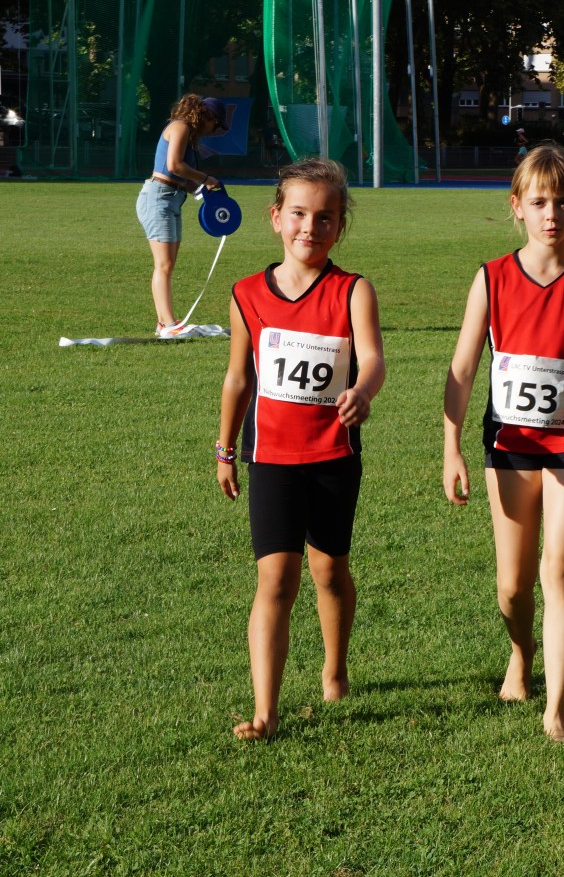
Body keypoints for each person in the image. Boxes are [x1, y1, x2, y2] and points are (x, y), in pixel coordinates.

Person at [442, 143, 564, 741]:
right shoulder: (491, 278)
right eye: (540, 202)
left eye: (563, 202)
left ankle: (557, 706)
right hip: (510, 444)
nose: (552, 214)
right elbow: (463, 369)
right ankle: (521, 653)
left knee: (560, 568)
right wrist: (451, 447)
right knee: (513, 585)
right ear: (517, 206)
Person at [216, 158, 386, 741]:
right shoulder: (246, 294)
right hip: (271, 459)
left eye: (325, 217)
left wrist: (363, 391)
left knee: (329, 570)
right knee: (275, 580)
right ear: (276, 218)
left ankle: (334, 669)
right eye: (298, 214)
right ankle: (265, 711)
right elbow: (239, 378)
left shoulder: (353, 290)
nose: (310, 227)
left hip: (334, 457)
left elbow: (373, 358)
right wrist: (224, 448)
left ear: (340, 225)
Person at [136, 94, 228, 337]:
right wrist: (206, 178)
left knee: (168, 264)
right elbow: (174, 165)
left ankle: (164, 323)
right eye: (216, 124)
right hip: (158, 197)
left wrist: (205, 192)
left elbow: (182, 178)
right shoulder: (180, 126)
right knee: (163, 264)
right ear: (206, 115)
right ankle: (168, 324)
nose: (214, 130)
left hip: (172, 198)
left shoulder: (189, 136)